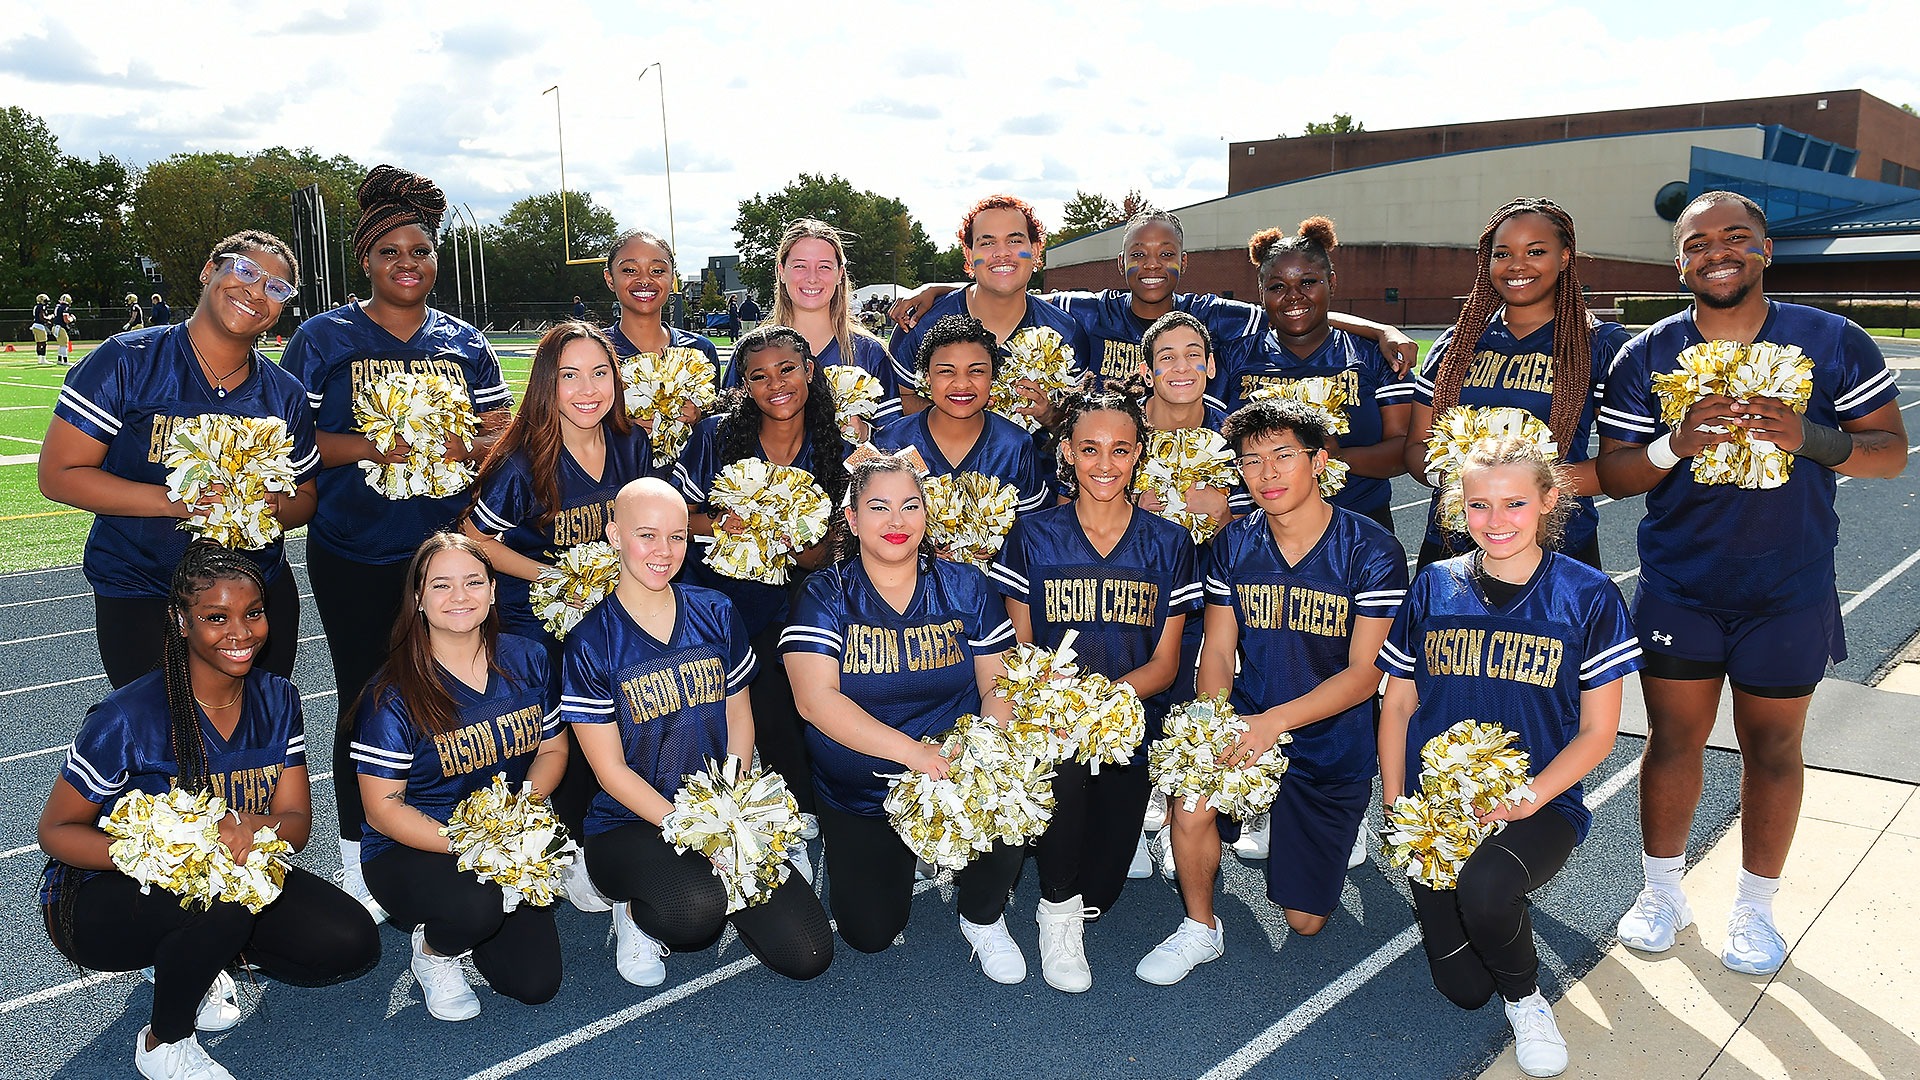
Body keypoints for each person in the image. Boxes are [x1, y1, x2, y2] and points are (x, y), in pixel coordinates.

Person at [1599, 191, 1907, 977]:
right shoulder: (1646, 354)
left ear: (1766, 250)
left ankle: (1756, 906)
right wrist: (1674, 444)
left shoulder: (1832, 340)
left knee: (1774, 746)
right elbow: (1616, 474)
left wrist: (1809, 436)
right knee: (1673, 740)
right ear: (1679, 263)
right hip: (1681, 585)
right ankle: (1662, 892)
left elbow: (1890, 453)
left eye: (1735, 237)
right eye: (1697, 243)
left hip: (1787, 589)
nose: (1717, 252)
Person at [38, 543, 378, 1080]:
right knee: (222, 903)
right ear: (182, 621)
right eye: (216, 617)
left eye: (253, 613)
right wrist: (168, 854)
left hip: (230, 879)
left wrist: (250, 826)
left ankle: (199, 957)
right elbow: (56, 831)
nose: (240, 632)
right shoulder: (127, 715)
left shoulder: (279, 698)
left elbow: (295, 824)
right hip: (105, 892)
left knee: (350, 941)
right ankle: (164, 1042)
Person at [281, 164, 513, 920]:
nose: (406, 263)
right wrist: (377, 446)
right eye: (390, 252)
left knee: (456, 694)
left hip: (447, 556)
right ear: (366, 261)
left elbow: (497, 434)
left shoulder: (463, 341)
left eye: (420, 251)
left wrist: (469, 446)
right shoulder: (322, 337)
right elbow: (288, 439)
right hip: (355, 550)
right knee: (365, 696)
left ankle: (457, 830)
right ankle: (360, 848)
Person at [1377, 435, 1642, 1079]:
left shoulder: (1587, 595)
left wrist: (1528, 797)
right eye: (1479, 505)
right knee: (1466, 990)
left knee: (1488, 889)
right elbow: (1398, 705)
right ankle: (1473, 917)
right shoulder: (1434, 585)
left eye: (1514, 503)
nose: (1495, 520)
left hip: (1536, 802)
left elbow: (1598, 733)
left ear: (1548, 501)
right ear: (1457, 507)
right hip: (1437, 811)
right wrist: (1396, 803)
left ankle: (1528, 1001)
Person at [1139, 399, 1407, 985]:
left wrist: (1273, 724)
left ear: (1318, 460)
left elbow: (1365, 675)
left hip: (1330, 743)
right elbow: (1217, 650)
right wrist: (1211, 725)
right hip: (1251, 721)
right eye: (1252, 461)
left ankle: (1319, 828)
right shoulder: (1234, 544)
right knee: (1190, 800)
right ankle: (1200, 926)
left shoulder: (1371, 549)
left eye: (1283, 456)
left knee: (1305, 921)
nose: (1267, 473)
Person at [564, 478, 833, 984]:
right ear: (614, 535)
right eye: (646, 535)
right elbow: (610, 771)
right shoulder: (589, 641)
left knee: (809, 953)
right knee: (694, 911)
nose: (663, 551)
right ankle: (633, 908)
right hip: (631, 821)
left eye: (677, 536)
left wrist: (728, 808)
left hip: (718, 806)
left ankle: (703, 878)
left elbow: (739, 717)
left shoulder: (715, 611)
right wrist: (694, 830)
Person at [781, 450, 1027, 982]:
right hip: (863, 790)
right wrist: (915, 756)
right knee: (868, 934)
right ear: (851, 519)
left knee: (1015, 790)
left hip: (956, 771)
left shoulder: (966, 584)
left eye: (910, 506)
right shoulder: (824, 593)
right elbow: (814, 700)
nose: (897, 521)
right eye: (879, 507)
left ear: (926, 514)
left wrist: (981, 754)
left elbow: (1000, 684)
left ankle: (983, 915)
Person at [989, 388, 1201, 992]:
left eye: (1120, 450)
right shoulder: (1032, 535)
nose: (1104, 464)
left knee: (1102, 890)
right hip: (1049, 721)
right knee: (1065, 858)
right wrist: (1062, 706)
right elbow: (1020, 650)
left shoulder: (1169, 543)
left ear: (1139, 454)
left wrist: (1100, 704)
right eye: (1089, 449)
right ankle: (1053, 913)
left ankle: (1070, 884)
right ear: (1066, 452)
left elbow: (1165, 664)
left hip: (1127, 721)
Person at [40, 230, 319, 687]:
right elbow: (59, 474)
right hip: (144, 589)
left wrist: (271, 507)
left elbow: (305, 499)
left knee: (258, 726)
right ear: (209, 272)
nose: (256, 290)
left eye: (276, 287)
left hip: (254, 592)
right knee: (162, 728)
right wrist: (176, 502)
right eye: (245, 270)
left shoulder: (285, 392)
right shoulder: (126, 361)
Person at [351, 533, 567, 1021]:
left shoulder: (528, 657)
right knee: (476, 908)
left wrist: (518, 815)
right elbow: (382, 810)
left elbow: (553, 749)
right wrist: (475, 843)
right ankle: (434, 952)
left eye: (472, 582)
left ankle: (473, 918)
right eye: (441, 585)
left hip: (503, 840)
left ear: (493, 591)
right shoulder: (392, 694)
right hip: (413, 847)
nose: (460, 596)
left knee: (535, 983)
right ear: (418, 599)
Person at [891, 210, 1419, 397]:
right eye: (1138, 255)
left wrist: (1381, 331)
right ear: (1120, 263)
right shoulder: (1088, 310)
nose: (1152, 265)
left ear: (1183, 262)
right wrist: (935, 290)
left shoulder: (1209, 315)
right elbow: (1010, 286)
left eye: (1166, 255)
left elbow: (1290, 312)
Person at [674, 325, 854, 832]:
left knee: (783, 705)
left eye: (787, 369)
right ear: (745, 385)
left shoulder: (836, 448)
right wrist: (726, 522)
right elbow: (677, 517)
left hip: (792, 599)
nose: (776, 384)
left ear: (809, 371)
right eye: (759, 376)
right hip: (716, 594)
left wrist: (788, 533)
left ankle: (800, 812)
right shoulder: (714, 436)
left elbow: (822, 557)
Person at [1403, 198, 1626, 571]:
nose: (1517, 264)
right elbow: (1416, 447)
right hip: (1453, 545)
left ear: (1565, 257)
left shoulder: (1600, 346)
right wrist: (1461, 480)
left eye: (1535, 251)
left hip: (1558, 547)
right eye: (1502, 253)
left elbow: (1620, 468)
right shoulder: (1456, 344)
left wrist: (1523, 486)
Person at [463, 322, 659, 652]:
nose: (588, 390)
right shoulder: (521, 463)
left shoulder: (632, 443)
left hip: (612, 612)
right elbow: (474, 539)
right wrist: (557, 577)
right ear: (547, 383)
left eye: (600, 373)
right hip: (537, 624)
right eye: (569, 375)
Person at [1219, 218, 1412, 531]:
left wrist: (1336, 456)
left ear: (1331, 282)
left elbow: (1405, 449)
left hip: (1360, 527)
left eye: (1308, 282)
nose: (1293, 296)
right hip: (1264, 531)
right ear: (1261, 293)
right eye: (1277, 287)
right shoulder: (1235, 357)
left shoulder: (1373, 355)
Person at [888, 196, 1090, 425]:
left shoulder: (1065, 334)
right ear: (969, 254)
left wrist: (1050, 416)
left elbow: (1076, 424)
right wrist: (956, 418)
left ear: (1035, 250)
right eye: (987, 243)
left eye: (1014, 240)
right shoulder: (921, 321)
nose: (1002, 252)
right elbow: (899, 398)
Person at [872, 314, 1052, 516]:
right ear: (927, 376)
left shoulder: (1016, 445)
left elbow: (1031, 526)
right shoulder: (891, 441)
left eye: (976, 371)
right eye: (946, 371)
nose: (962, 384)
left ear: (992, 377)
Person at [730, 220, 897, 424]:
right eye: (800, 266)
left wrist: (864, 433)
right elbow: (725, 433)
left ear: (840, 274)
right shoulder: (750, 351)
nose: (812, 277)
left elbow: (893, 434)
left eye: (824, 267)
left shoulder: (869, 353)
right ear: (781, 271)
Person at [600, 230, 721, 373]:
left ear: (672, 280)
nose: (645, 280)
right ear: (610, 278)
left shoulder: (700, 351)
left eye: (657, 271)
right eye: (630, 270)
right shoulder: (593, 350)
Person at [32, 292, 57, 364]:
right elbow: (42, 317)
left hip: (35, 325)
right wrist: (50, 317)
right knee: (43, 343)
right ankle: (43, 359)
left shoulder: (36, 306)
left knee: (39, 343)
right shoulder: (41, 307)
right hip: (39, 326)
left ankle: (40, 359)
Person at [54, 292, 77, 363]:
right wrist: (72, 319)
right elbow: (66, 320)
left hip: (55, 327)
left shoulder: (58, 306)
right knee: (64, 345)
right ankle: (65, 361)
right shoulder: (65, 307)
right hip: (61, 328)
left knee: (61, 344)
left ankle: (59, 360)